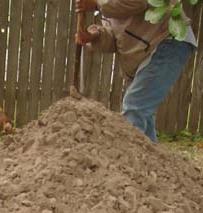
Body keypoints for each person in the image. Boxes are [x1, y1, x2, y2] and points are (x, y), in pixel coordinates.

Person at [75, 0, 196, 143]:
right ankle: (150, 163)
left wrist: (97, 5)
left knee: (135, 107)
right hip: (148, 49)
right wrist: (95, 37)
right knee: (143, 116)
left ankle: (126, 162)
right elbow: (118, 36)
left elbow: (137, 3)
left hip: (167, 40)